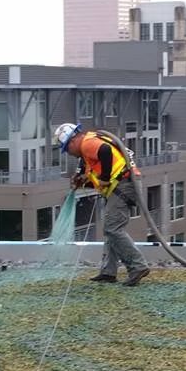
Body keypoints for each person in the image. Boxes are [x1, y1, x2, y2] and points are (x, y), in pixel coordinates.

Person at [54, 123, 150, 287]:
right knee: (110, 228)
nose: (69, 153)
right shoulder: (88, 148)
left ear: (72, 141)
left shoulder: (87, 143)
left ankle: (138, 266)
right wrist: (85, 181)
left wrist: (104, 177)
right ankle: (108, 272)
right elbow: (99, 170)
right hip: (122, 185)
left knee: (112, 228)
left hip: (124, 185)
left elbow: (105, 151)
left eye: (67, 149)